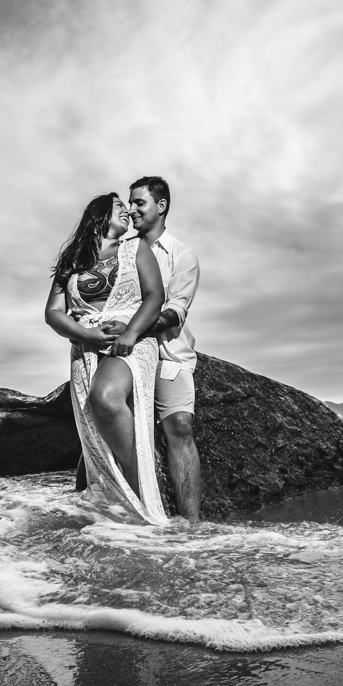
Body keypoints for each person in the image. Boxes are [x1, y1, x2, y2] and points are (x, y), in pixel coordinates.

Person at [44, 193, 169, 525]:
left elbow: (156, 297)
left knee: (106, 397)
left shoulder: (136, 248)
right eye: (119, 207)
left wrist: (129, 334)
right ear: (100, 216)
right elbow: (54, 313)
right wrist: (87, 335)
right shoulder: (72, 260)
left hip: (132, 338)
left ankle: (138, 495)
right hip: (85, 345)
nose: (127, 211)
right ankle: (110, 505)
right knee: (92, 431)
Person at [107, 177, 203, 521]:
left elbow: (175, 311)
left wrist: (133, 329)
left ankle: (192, 524)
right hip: (125, 353)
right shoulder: (121, 249)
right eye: (129, 204)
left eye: (139, 203)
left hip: (168, 354)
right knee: (104, 415)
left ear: (161, 206)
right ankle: (116, 514)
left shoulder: (182, 255)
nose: (131, 210)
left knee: (179, 425)